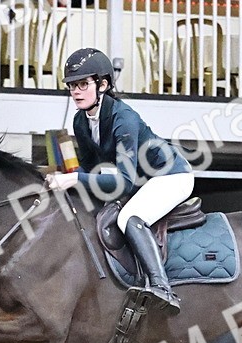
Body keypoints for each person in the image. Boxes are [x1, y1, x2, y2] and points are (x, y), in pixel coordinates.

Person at [45, 47, 193, 314]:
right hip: (143, 181)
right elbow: (91, 170)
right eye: (71, 86)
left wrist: (72, 179)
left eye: (82, 84)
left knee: (129, 219)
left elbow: (122, 182)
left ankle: (162, 288)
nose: (76, 92)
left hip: (171, 176)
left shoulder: (123, 118)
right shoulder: (81, 120)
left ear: (102, 85)